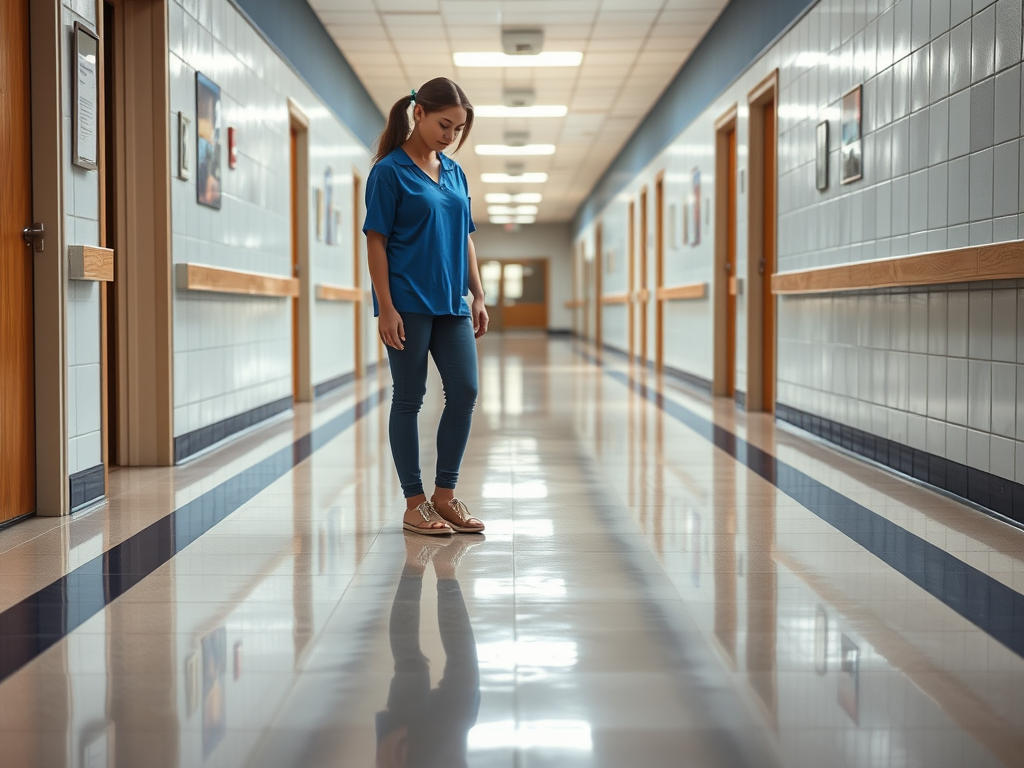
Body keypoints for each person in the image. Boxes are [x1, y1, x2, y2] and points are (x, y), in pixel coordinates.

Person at [363, 77, 488, 536]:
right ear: (419, 113)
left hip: (452, 304)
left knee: (465, 392)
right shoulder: (389, 171)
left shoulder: (454, 172)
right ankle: (415, 503)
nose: (450, 135)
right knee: (409, 397)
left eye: (457, 129)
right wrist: (386, 306)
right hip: (408, 303)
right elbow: (376, 241)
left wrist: (478, 293)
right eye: (444, 124)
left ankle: (445, 497)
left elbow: (465, 237)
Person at [375, 534, 482, 768]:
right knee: (465, 674)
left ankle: (414, 567)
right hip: (449, 744)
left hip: (407, 754)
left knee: (410, 665)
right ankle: (445, 571)